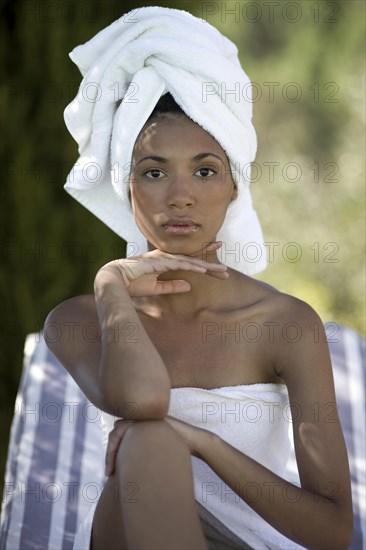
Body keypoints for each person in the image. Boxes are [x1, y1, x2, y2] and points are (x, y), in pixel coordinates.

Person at [44, 7, 353, 550]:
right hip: (135, 532)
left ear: (235, 185)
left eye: (205, 170)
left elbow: (332, 531)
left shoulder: (284, 325)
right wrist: (111, 288)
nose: (179, 195)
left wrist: (204, 443)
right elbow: (143, 402)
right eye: (154, 171)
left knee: (154, 440)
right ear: (126, 186)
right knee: (148, 444)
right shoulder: (80, 320)